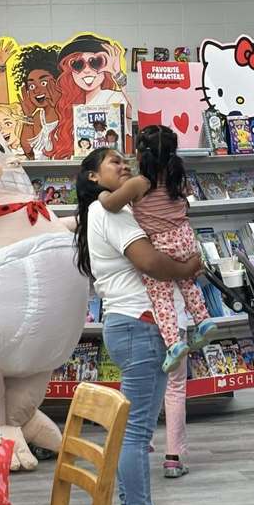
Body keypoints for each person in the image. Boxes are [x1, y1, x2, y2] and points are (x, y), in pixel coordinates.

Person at [74, 146, 199, 505]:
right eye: (113, 162)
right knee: (137, 433)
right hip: (140, 325)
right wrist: (188, 269)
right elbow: (150, 262)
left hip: (130, 324)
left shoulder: (108, 212)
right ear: (93, 177)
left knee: (132, 429)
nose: (123, 165)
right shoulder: (109, 212)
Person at [98, 125, 216, 373]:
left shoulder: (138, 183)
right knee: (187, 284)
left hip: (162, 243)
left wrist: (101, 196)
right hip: (186, 239)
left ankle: (173, 344)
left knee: (160, 294)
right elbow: (185, 206)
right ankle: (203, 321)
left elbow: (111, 205)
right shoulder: (176, 178)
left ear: (140, 156)